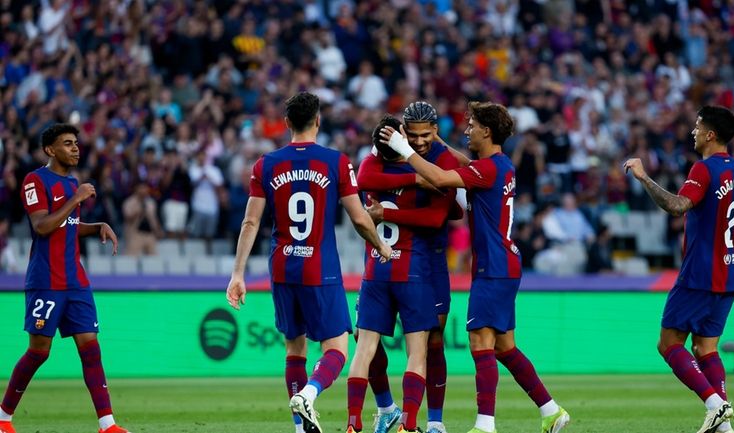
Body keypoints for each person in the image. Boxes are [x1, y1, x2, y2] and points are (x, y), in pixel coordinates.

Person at [381, 102, 570, 433]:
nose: (467, 130)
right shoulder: (500, 166)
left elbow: (441, 176)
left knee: (480, 341)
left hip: (493, 268)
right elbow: (466, 165)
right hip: (505, 264)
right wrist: (437, 143)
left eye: (471, 125)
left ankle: (485, 425)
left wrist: (403, 149)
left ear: (487, 130)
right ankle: (551, 411)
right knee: (504, 346)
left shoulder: (489, 170)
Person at [225, 92, 391, 433]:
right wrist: (381, 247)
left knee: (294, 347)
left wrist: (237, 273)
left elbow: (250, 223)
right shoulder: (336, 161)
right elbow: (360, 219)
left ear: (286, 123)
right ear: (318, 120)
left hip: (283, 267)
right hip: (320, 268)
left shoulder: (265, 165)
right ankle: (310, 394)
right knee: (338, 349)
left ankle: (301, 429)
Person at [624, 105, 734, 433]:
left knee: (668, 343)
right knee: (705, 348)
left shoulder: (703, 169)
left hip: (700, 271)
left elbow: (677, 206)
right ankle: (725, 427)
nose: (693, 132)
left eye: (698, 127)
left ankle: (715, 404)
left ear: (711, 134)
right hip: (729, 273)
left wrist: (643, 177)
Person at [0, 123, 126, 433]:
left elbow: (68, 225)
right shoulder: (35, 180)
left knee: (91, 348)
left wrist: (94, 226)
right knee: (39, 352)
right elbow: (42, 226)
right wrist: (77, 198)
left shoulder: (72, 185)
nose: (75, 148)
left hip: (76, 281)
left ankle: (107, 424)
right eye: (67, 143)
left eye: (76, 143)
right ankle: (3, 418)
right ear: (49, 149)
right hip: (46, 280)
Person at [346, 113, 456, 433]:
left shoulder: (377, 169)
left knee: (366, 348)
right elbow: (444, 210)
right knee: (417, 350)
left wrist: (386, 210)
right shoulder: (419, 170)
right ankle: (404, 420)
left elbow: (365, 178)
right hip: (412, 269)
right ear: (404, 138)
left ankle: (356, 422)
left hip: (380, 267)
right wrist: (418, 180)